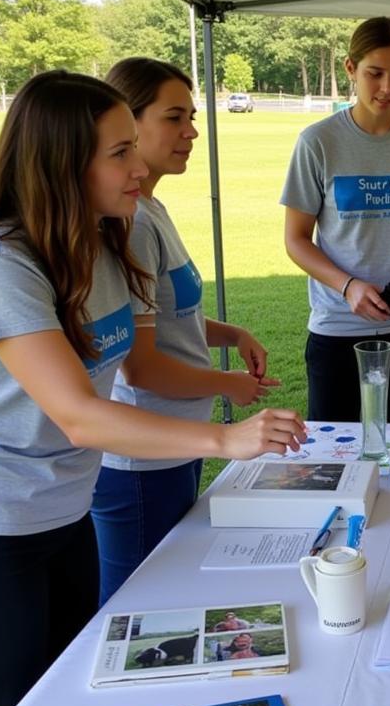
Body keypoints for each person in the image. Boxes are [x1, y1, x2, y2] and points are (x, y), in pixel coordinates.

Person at [0, 71, 306, 706]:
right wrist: (225, 437)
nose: (139, 165)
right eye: (119, 152)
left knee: (60, 699)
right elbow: (80, 415)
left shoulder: (105, 241)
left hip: (62, 513)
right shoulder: (0, 263)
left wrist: (224, 348)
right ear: (61, 161)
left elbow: (128, 353)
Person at [90, 58, 279, 604]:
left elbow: (175, 317)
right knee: (136, 604)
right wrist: (226, 386)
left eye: (192, 116)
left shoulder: (152, 208)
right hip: (142, 461)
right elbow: (141, 364)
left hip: (175, 447)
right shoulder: (134, 224)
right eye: (174, 118)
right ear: (129, 123)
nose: (192, 132)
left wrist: (233, 333)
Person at [281, 17, 390, 425]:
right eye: (374, 74)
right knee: (333, 449)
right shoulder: (318, 141)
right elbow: (295, 240)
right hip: (338, 325)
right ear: (350, 68)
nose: (388, 88)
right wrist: (348, 287)